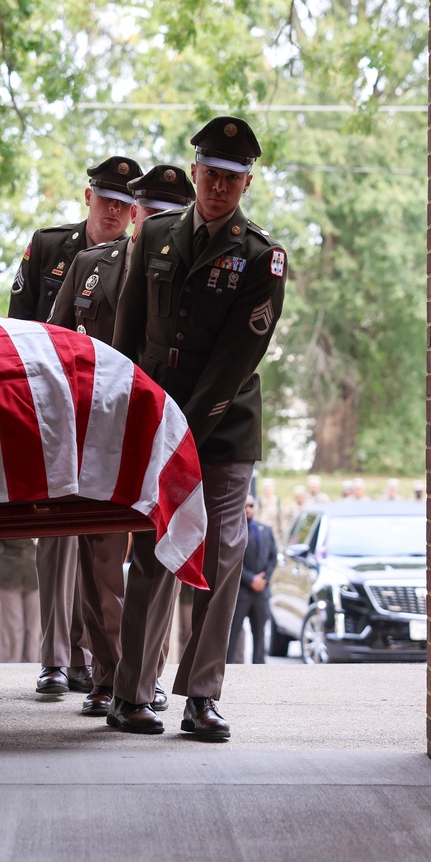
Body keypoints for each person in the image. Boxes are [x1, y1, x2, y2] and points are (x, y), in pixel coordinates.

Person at [108, 115, 287, 739]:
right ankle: (131, 691)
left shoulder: (262, 259)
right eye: (210, 173)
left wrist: (187, 430)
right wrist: (129, 410)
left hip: (222, 426)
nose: (218, 186)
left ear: (246, 185)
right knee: (155, 551)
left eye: (231, 179)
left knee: (218, 557)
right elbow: (127, 334)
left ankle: (201, 695)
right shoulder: (153, 236)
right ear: (194, 173)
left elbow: (234, 365)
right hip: (158, 416)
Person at [50, 162, 194, 716]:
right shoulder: (89, 264)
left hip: (157, 433)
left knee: (157, 560)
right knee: (100, 559)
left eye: (165, 214)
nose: (153, 223)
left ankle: (147, 674)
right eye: (147, 212)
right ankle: (107, 673)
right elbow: (59, 344)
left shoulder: (184, 277)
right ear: (133, 215)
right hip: (97, 433)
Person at [8, 156, 141, 697]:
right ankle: (55, 658)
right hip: (55, 408)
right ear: (89, 198)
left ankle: (92, 656)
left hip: (108, 413)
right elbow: (21, 325)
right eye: (105, 200)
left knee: (101, 541)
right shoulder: (48, 247)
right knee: (55, 535)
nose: (113, 211)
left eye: (124, 204)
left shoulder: (130, 259)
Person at [226, 493, 278, 664]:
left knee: (260, 633)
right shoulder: (234, 532)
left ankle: (259, 666)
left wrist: (264, 579)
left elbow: (273, 557)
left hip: (261, 592)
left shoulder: (266, 530)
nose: (248, 509)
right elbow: (232, 560)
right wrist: (250, 579)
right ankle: (228, 667)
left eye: (251, 506)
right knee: (233, 632)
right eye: (245, 506)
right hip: (242, 591)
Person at [0, 539, 41, 663]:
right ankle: (12, 667)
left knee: (34, 630)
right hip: (7, 573)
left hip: (36, 573)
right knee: (13, 630)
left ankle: (32, 667)